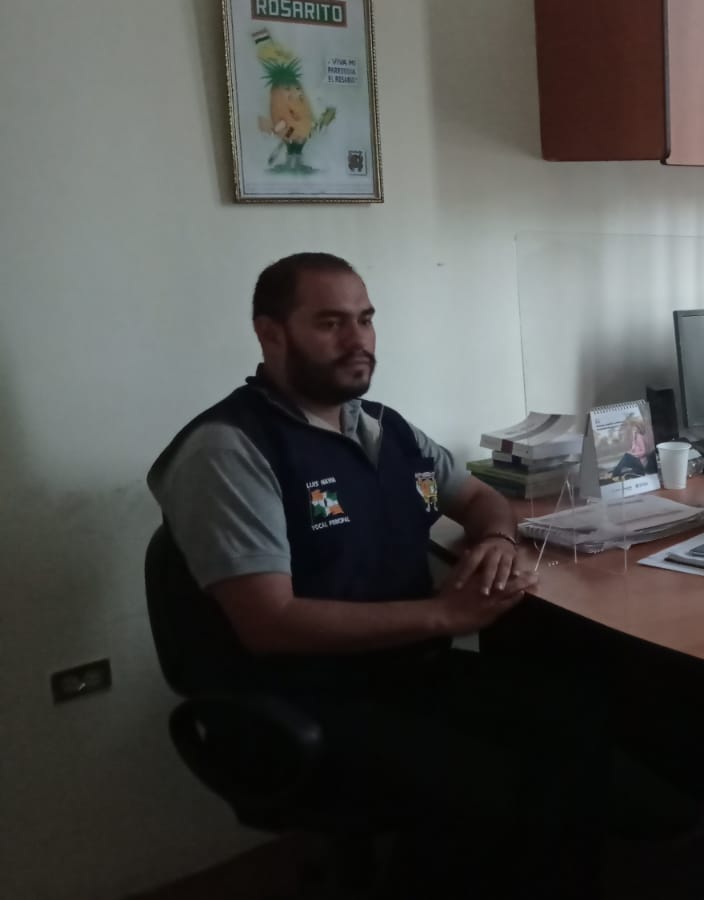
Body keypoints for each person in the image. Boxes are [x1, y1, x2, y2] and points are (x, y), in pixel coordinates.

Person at [148, 252, 601, 898]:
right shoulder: (230, 449)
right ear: (270, 334)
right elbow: (269, 622)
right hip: (303, 697)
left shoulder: (387, 430)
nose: (357, 340)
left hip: (404, 672)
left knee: (568, 722)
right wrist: (446, 615)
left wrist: (499, 539)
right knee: (487, 788)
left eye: (365, 319)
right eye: (330, 323)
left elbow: (479, 498)